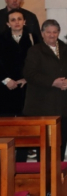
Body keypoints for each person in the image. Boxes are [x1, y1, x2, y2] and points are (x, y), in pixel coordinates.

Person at [23, 19, 67, 161]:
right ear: (43, 34)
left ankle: (60, 172)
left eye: (55, 32)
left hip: (62, 105)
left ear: (58, 33)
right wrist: (52, 82)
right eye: (48, 32)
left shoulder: (65, 48)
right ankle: (45, 177)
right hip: (42, 106)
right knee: (45, 145)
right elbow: (29, 73)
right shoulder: (35, 50)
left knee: (61, 142)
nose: (52, 35)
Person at [0, 9, 36, 162]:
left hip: (25, 88)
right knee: (5, 128)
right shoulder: (1, 39)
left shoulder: (32, 39)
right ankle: (4, 162)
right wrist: (6, 80)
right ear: (8, 23)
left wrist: (27, 79)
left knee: (24, 128)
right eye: (13, 20)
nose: (16, 22)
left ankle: (21, 163)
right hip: (4, 89)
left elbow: (37, 62)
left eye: (19, 19)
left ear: (24, 21)